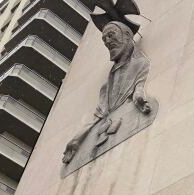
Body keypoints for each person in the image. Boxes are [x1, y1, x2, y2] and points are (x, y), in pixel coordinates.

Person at [62, 20, 152, 164]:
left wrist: (139, 96)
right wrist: (77, 139)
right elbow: (98, 116)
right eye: (104, 39)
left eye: (111, 35)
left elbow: (139, 87)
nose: (107, 41)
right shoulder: (105, 88)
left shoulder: (141, 64)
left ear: (128, 35)